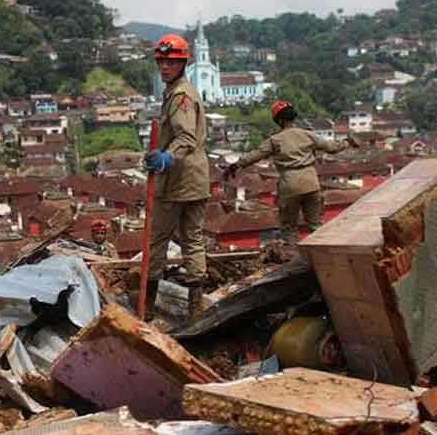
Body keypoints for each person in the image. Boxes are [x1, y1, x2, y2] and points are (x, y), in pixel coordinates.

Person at [224, 100, 358, 246]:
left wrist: (235, 165)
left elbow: (255, 155)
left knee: (289, 228)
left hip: (290, 185)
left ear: (279, 120)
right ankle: (326, 256)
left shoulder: (275, 140)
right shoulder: (308, 135)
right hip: (311, 183)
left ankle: (294, 259)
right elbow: (333, 147)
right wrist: (347, 142)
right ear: (293, 117)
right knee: (316, 226)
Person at [143, 34, 210, 315]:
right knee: (193, 240)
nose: (165, 67)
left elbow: (185, 137)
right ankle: (196, 304)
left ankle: (147, 304)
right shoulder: (181, 91)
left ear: (183, 63)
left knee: (158, 239)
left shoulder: (180, 94)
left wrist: (166, 156)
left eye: (171, 62)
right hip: (197, 179)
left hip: (178, 181)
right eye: (161, 61)